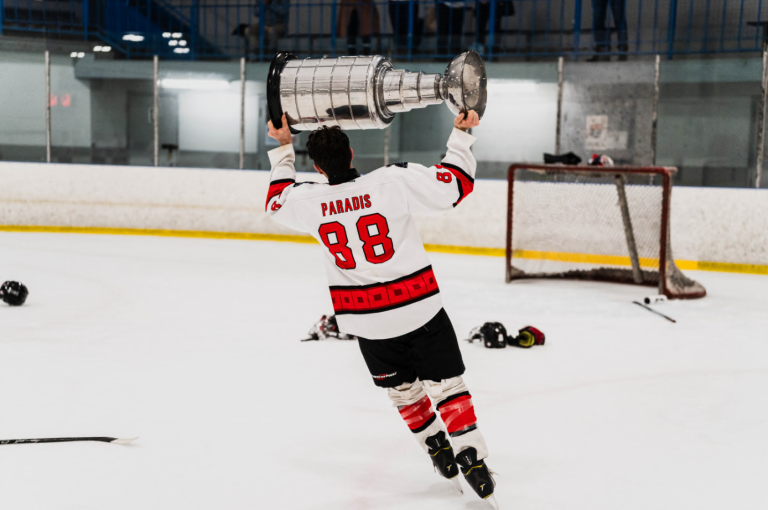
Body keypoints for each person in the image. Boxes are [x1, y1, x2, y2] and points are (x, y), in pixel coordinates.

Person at [264, 111, 497, 507]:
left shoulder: (308, 200)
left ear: (317, 167)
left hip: (368, 322)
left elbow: (275, 200)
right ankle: (469, 452)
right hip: (420, 309)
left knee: (404, 392)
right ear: (352, 153)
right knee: (447, 386)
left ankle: (435, 445)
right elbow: (455, 186)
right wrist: (461, 133)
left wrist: (284, 147)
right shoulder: (392, 180)